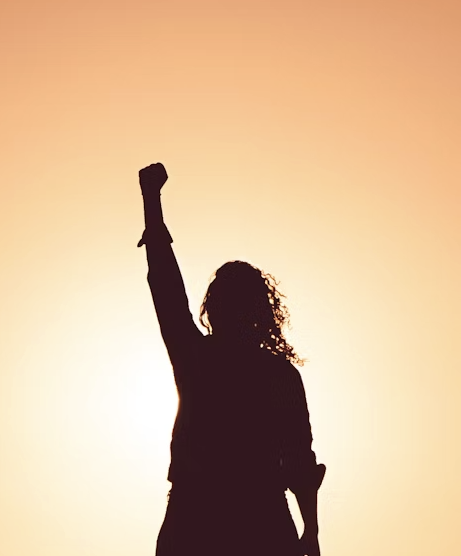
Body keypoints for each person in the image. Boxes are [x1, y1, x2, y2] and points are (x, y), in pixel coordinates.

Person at [137, 162, 326, 556]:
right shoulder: (268, 372)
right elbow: (166, 287)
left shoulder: (203, 359)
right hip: (226, 519)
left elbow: (298, 459)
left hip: (227, 520)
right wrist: (310, 531)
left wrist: (151, 201)